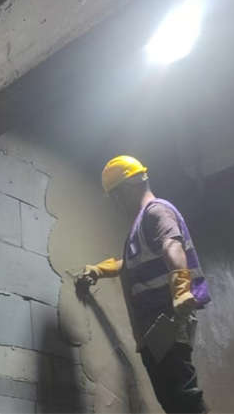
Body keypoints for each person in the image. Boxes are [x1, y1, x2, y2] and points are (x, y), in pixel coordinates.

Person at [78, 155, 211, 414]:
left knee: (182, 396)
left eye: (116, 195)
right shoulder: (140, 224)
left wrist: (181, 288)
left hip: (168, 319)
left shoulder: (156, 211)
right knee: (172, 399)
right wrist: (100, 270)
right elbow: (131, 263)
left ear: (128, 187)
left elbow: (172, 244)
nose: (116, 203)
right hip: (153, 327)